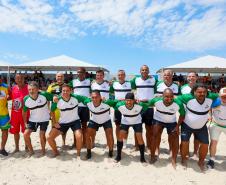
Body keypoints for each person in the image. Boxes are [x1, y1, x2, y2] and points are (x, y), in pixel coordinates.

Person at [178, 84, 218, 171]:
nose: (202, 94)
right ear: (194, 92)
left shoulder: (211, 97)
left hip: (201, 127)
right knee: (185, 143)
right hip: (186, 125)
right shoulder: (187, 97)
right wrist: (181, 109)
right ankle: (184, 159)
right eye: (199, 92)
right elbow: (176, 98)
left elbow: (220, 95)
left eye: (204, 92)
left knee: (205, 144)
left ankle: (201, 161)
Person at [148, 88, 185, 168]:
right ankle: (152, 156)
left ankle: (173, 159)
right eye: (167, 97)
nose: (169, 99)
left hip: (171, 121)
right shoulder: (156, 100)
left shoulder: (178, 103)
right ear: (162, 96)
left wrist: (177, 126)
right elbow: (148, 104)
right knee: (154, 136)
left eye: (171, 97)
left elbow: (182, 114)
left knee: (175, 138)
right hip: (158, 120)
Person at [48, 84, 86, 157]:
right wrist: (54, 122)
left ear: (71, 91)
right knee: (49, 138)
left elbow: (86, 99)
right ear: (61, 91)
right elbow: (52, 111)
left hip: (75, 121)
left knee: (79, 136)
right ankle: (56, 152)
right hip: (63, 122)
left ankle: (78, 154)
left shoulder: (75, 97)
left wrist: (88, 101)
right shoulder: (57, 100)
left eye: (67, 91)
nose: (65, 92)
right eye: (63, 91)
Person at [114, 92, 147, 163]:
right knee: (120, 136)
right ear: (124, 100)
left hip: (137, 121)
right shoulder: (120, 105)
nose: (128, 102)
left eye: (131, 100)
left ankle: (142, 158)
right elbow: (112, 103)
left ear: (134, 100)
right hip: (125, 121)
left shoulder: (139, 105)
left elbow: (148, 104)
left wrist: (141, 101)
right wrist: (118, 100)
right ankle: (118, 156)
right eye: (127, 100)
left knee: (139, 137)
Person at [130, 65, 157, 151]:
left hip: (149, 107)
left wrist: (153, 100)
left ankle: (148, 146)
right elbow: (130, 89)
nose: (144, 71)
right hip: (138, 107)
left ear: (148, 71)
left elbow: (157, 91)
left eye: (146, 70)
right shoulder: (136, 79)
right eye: (142, 70)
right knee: (137, 127)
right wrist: (135, 97)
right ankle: (137, 146)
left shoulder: (153, 80)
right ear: (140, 71)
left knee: (149, 128)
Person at [23, 81, 53, 156]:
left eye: (33, 89)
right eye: (29, 89)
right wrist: (24, 122)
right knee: (25, 134)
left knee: (41, 135)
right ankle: (31, 151)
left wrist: (51, 111)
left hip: (44, 119)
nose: (31, 91)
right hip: (33, 120)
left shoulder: (44, 95)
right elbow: (24, 112)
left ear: (37, 89)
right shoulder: (26, 99)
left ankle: (43, 151)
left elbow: (55, 98)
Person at [85, 90, 116, 160]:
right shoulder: (88, 102)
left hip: (106, 120)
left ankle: (111, 152)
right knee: (87, 134)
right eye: (92, 97)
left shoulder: (107, 102)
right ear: (90, 97)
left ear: (100, 97)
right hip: (94, 120)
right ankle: (89, 152)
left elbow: (117, 102)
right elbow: (78, 97)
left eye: (96, 97)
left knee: (110, 135)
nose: (94, 99)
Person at [69, 67, 91, 147]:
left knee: (84, 125)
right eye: (78, 72)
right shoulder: (73, 82)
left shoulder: (89, 81)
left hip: (85, 107)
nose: (79, 74)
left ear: (85, 73)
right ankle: (75, 143)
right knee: (75, 126)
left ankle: (84, 142)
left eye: (81, 72)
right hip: (75, 107)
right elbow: (66, 89)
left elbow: (97, 83)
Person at [110, 70, 132, 144]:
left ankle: (125, 142)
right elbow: (110, 92)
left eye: (122, 75)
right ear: (117, 76)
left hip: (127, 107)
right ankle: (118, 141)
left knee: (126, 125)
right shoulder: (114, 84)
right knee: (117, 125)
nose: (120, 76)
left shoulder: (129, 83)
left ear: (124, 75)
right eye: (119, 75)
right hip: (117, 107)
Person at [181, 72, 199, 158]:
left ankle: (195, 153)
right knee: (185, 137)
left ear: (196, 78)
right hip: (186, 114)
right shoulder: (182, 88)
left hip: (199, 114)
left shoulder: (200, 88)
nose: (191, 78)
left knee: (197, 136)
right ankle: (186, 152)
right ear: (187, 78)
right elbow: (179, 100)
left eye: (193, 76)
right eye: (189, 76)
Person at [207, 87, 226, 169]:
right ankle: (211, 160)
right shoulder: (215, 101)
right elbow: (208, 107)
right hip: (216, 125)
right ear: (219, 96)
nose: (225, 98)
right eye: (223, 96)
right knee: (213, 142)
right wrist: (210, 116)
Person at [9, 73, 29, 153]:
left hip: (25, 114)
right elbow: (8, 97)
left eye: (21, 78)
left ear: (24, 79)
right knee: (15, 132)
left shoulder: (29, 87)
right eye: (17, 78)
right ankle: (17, 148)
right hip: (15, 114)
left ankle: (27, 147)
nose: (19, 80)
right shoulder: (13, 88)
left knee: (26, 131)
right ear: (15, 80)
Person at [47, 72, 66, 147]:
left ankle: (63, 142)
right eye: (58, 76)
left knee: (64, 128)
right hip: (54, 111)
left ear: (63, 77)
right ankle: (52, 141)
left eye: (61, 76)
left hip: (64, 110)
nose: (59, 78)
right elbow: (48, 98)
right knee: (54, 127)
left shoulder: (66, 86)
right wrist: (48, 109)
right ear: (56, 77)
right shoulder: (51, 86)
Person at [0, 74, 10, 156]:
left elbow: (10, 97)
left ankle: (2, 149)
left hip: (4, 114)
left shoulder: (6, 87)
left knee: (5, 132)